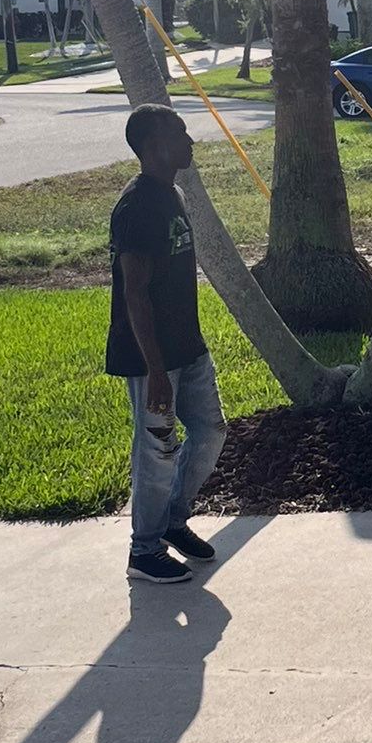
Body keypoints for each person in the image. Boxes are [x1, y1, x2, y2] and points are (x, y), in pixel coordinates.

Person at [108, 104, 229, 584]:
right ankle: (144, 550)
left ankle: (173, 522)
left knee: (211, 430)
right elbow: (134, 292)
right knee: (158, 448)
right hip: (150, 356)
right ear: (155, 146)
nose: (190, 140)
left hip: (188, 347)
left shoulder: (172, 193)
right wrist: (155, 369)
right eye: (181, 133)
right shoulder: (137, 208)